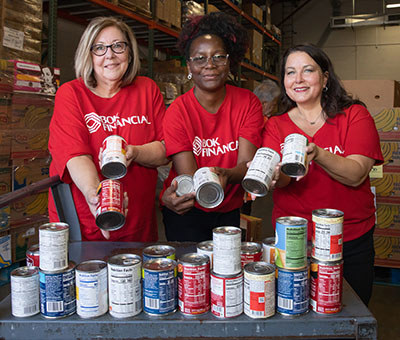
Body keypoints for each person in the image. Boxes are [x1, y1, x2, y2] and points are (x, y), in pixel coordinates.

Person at [262, 43, 383, 306]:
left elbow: (356, 174)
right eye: (290, 72)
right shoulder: (276, 124)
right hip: (296, 239)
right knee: (295, 310)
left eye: (308, 70)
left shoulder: (354, 116)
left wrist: (318, 154)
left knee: (349, 311)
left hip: (349, 238)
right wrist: (273, 176)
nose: (298, 79)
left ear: (325, 77)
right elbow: (283, 179)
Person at [48, 17, 168, 242]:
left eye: (118, 46)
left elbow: (164, 150)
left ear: (129, 53)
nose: (110, 55)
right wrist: (97, 198)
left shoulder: (147, 90)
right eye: (99, 48)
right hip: (85, 220)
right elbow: (75, 156)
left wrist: (134, 152)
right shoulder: (71, 94)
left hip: (137, 221)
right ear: (89, 54)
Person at [161, 12, 264, 242]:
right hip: (186, 208)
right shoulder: (178, 110)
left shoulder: (248, 103)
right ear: (189, 65)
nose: (210, 65)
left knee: (226, 271)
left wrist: (228, 174)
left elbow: (246, 165)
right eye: (200, 58)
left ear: (230, 61)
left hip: (228, 209)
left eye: (218, 57)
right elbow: (190, 177)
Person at [241, 78, 281, 216]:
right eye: (274, 104)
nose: (275, 108)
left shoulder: (244, 114)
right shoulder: (263, 121)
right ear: (264, 104)